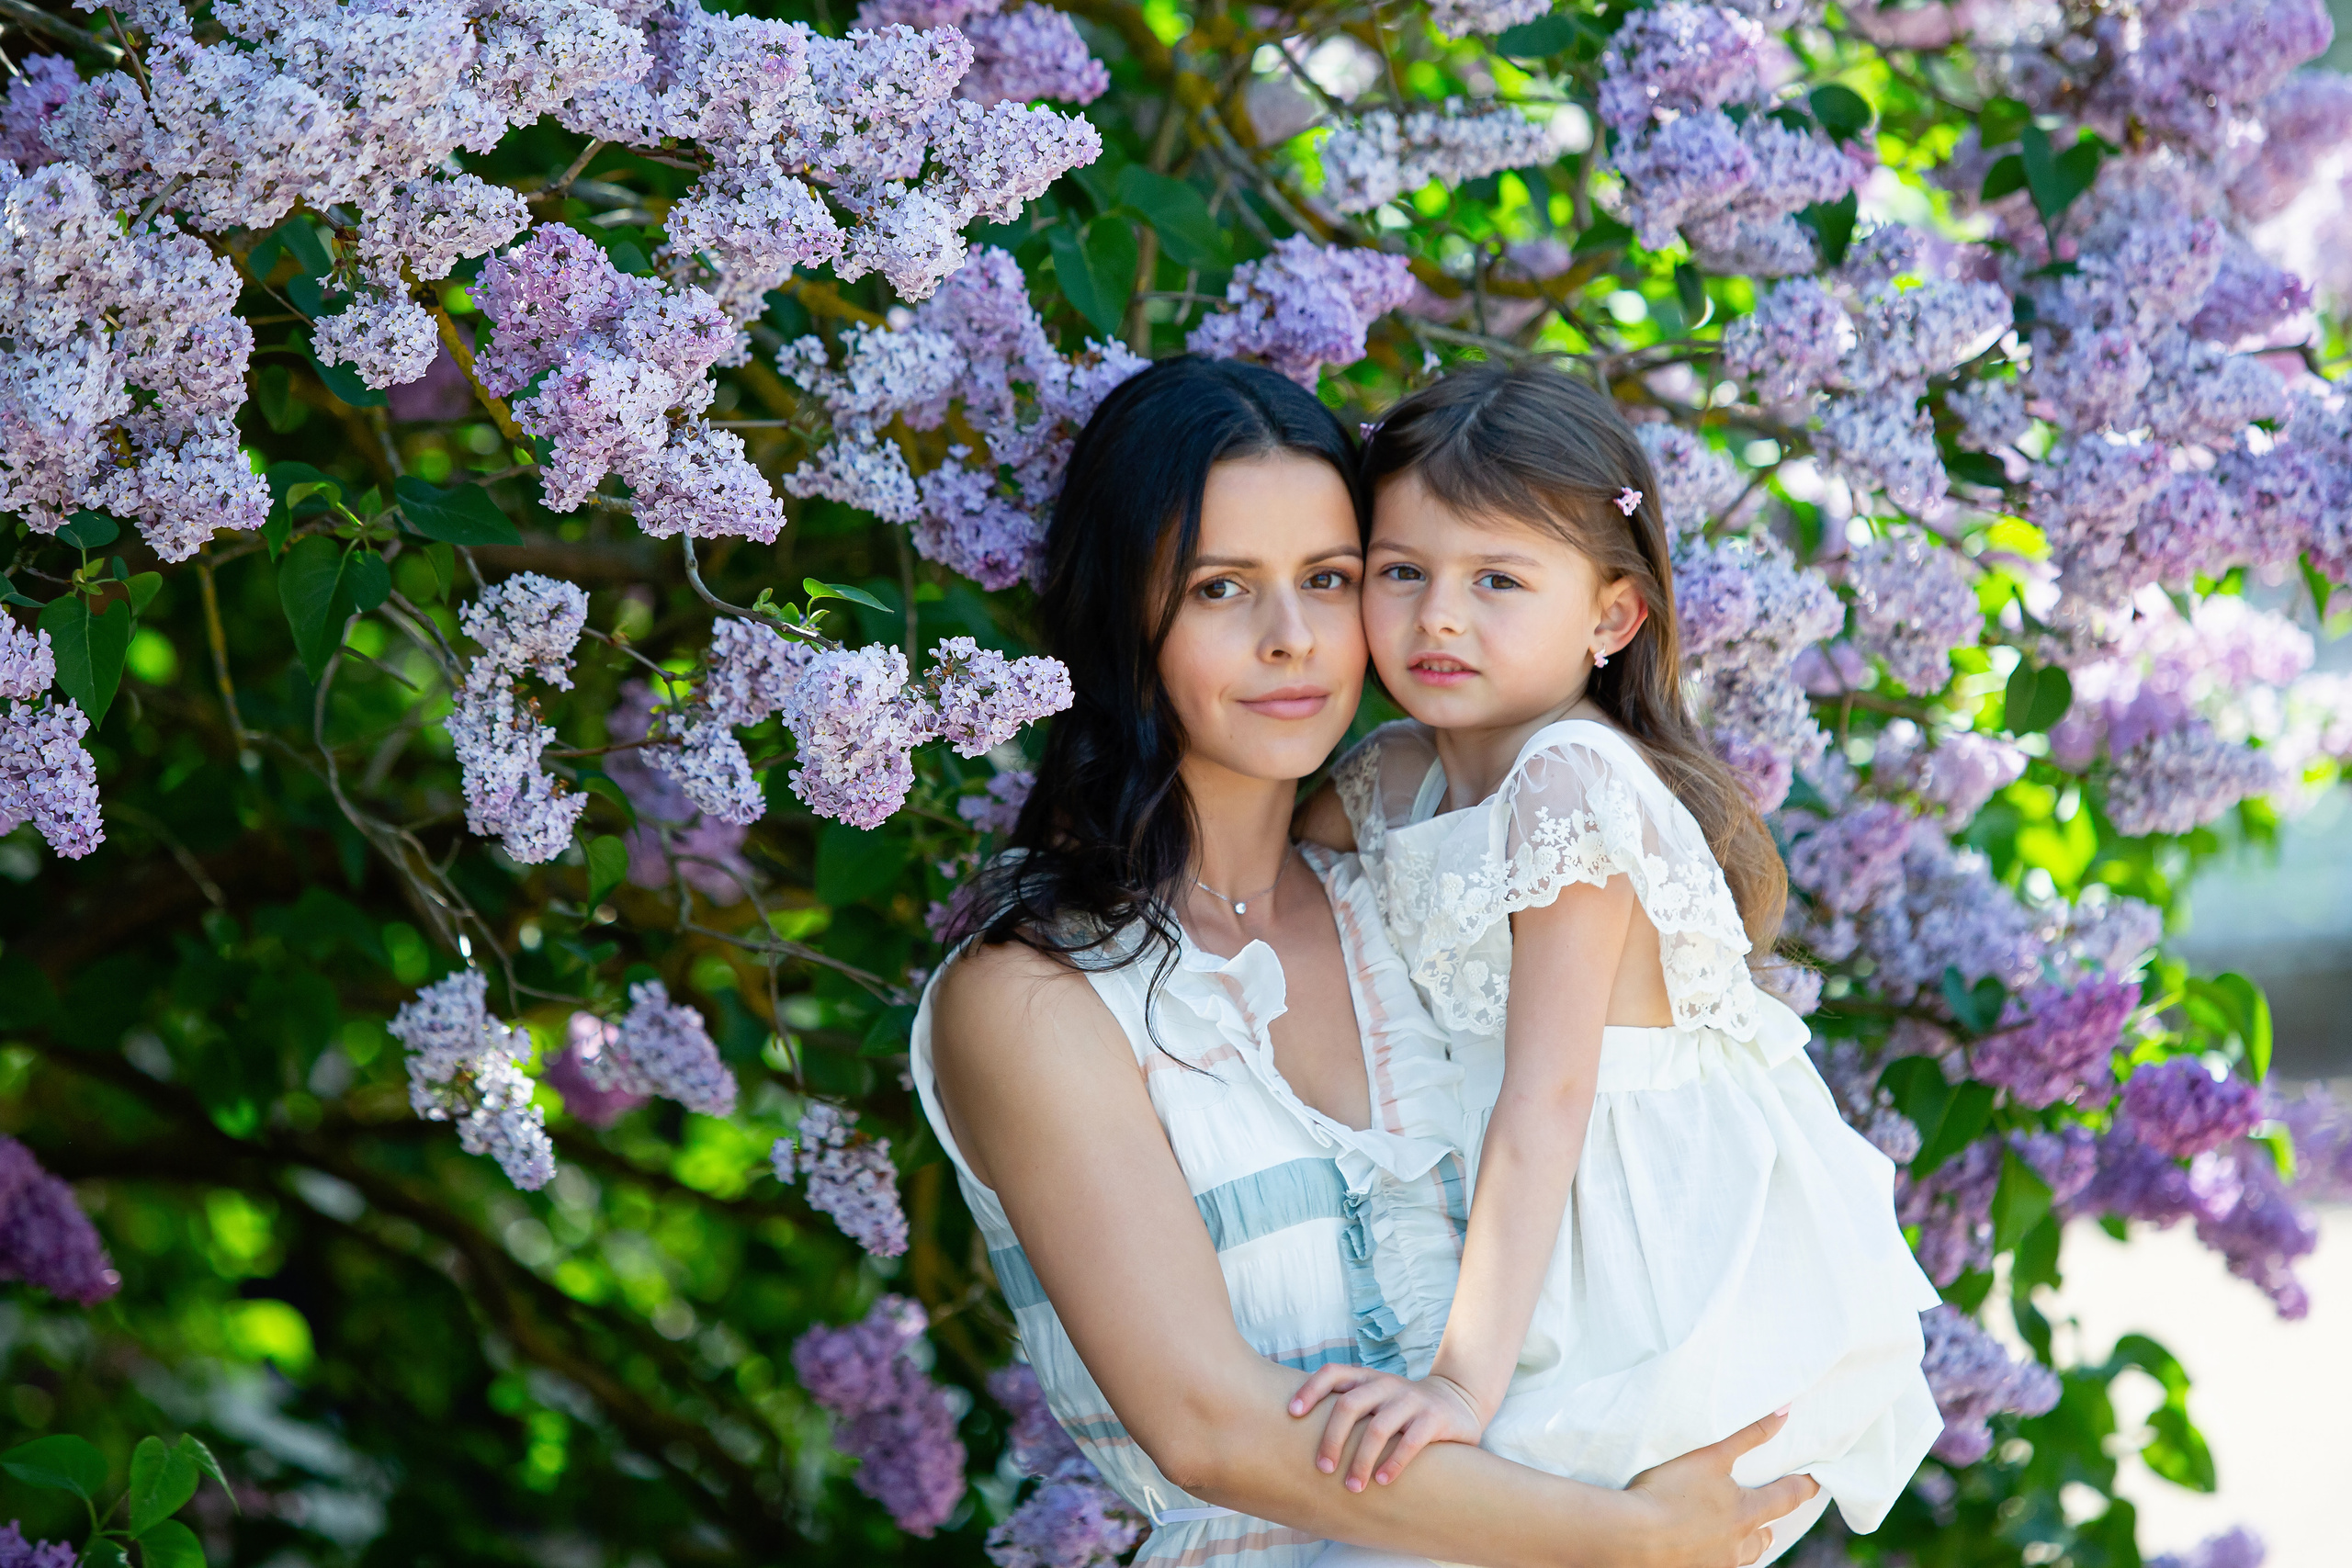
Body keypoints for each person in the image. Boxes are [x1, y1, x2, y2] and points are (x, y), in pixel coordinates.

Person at [913, 355, 1817, 1568]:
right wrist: (1637, 1541)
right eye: (1222, 588)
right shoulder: (1033, 997)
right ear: (1120, 613)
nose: (1293, 640)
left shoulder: (1416, 903)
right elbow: (1209, 1428)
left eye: (1330, 580)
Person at [1288, 363, 1941, 1567]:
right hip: (1526, 1223)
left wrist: (1459, 1389)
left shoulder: (1569, 784)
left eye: (1498, 580)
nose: (1439, 616)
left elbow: (1548, 1100)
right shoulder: (1389, 776)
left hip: (1647, 1254)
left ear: (1611, 617)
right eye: (1401, 572)